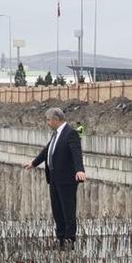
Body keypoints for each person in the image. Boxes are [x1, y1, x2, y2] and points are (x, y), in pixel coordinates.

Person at [23, 107, 86, 249]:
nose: (47, 123)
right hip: (54, 179)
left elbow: (76, 152)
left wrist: (80, 170)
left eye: (48, 120)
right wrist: (34, 163)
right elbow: (47, 151)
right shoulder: (56, 134)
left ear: (56, 119)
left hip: (66, 180)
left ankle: (70, 239)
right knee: (57, 210)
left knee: (67, 210)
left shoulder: (71, 133)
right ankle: (60, 237)